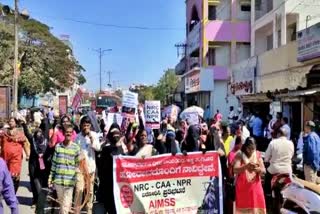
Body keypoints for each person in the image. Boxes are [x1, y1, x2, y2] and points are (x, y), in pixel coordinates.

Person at [48, 124, 80, 214]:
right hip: (58, 181)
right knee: (63, 205)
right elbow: (54, 163)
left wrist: (78, 175)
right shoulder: (58, 147)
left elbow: (78, 165)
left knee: (65, 207)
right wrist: (51, 178)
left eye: (70, 132)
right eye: (67, 132)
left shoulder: (76, 148)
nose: (68, 134)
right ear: (63, 133)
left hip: (69, 182)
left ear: (72, 134)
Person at [74, 116, 101, 214]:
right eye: (84, 125)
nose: (86, 127)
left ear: (90, 126)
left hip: (91, 168)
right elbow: (74, 151)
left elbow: (98, 148)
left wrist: (91, 138)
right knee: (79, 189)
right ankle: (77, 210)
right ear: (81, 125)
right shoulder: (77, 137)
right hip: (80, 169)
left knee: (89, 191)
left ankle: (89, 210)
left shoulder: (94, 135)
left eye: (88, 125)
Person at [264, 127, 294, 213]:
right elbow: (291, 155)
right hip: (287, 171)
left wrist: (268, 160)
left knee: (267, 179)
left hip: (274, 169)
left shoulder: (273, 143)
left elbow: (266, 158)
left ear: (278, 134)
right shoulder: (290, 143)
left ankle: (268, 195)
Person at [21, 118, 49, 209]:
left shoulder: (46, 139)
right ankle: (35, 200)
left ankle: (41, 201)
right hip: (33, 164)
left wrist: (47, 120)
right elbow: (27, 133)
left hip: (43, 165)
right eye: (37, 133)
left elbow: (46, 126)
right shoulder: (32, 140)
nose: (38, 134)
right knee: (34, 182)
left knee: (43, 183)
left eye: (40, 132)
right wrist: (24, 124)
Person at [233, 137, 266, 214]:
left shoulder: (257, 154)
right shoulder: (240, 154)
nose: (251, 151)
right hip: (243, 189)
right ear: (245, 146)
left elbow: (264, 170)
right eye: (249, 148)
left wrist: (259, 170)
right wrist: (246, 166)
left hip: (256, 188)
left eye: (253, 149)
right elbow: (235, 170)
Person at [0, 117, 30, 192]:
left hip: (15, 159)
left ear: (15, 123)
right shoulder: (4, 133)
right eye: (9, 121)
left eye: (12, 121)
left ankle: (13, 191)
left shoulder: (20, 133)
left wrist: (27, 154)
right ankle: (6, 190)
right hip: (5, 158)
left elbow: (25, 144)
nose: (10, 123)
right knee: (4, 174)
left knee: (14, 175)